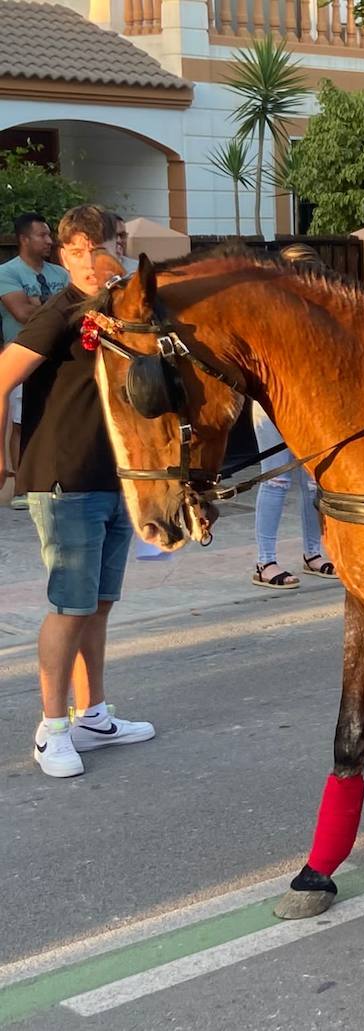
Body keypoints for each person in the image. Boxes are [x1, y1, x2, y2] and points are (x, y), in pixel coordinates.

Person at [0, 204, 154, 778]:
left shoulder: (117, 310)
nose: (92, 260)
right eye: (79, 250)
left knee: (100, 602)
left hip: (112, 476)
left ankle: (93, 714)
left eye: (103, 245)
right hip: (64, 479)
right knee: (69, 606)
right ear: (65, 254)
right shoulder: (61, 312)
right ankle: (52, 727)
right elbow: (2, 376)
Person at [250, 244, 339, 590]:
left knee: (314, 481)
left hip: (309, 402)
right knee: (275, 479)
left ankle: (314, 553)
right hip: (273, 401)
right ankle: (264, 560)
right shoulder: (269, 312)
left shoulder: (318, 311)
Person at [0, 212, 69, 511]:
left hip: (59, 358)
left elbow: (76, 309)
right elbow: (22, 314)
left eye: (49, 235)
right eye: (42, 235)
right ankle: (22, 484)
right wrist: (51, 309)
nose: (49, 241)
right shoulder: (7, 273)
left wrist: (40, 306)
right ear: (24, 239)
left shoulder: (61, 274)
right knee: (20, 421)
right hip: (22, 354)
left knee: (57, 416)